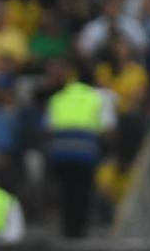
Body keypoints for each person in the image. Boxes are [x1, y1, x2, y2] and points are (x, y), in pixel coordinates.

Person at [45, 63, 113, 238]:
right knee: (82, 193)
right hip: (84, 153)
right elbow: (107, 128)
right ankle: (78, 232)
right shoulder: (96, 97)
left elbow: (48, 127)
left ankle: (66, 230)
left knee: (65, 192)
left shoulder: (58, 97)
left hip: (60, 153)